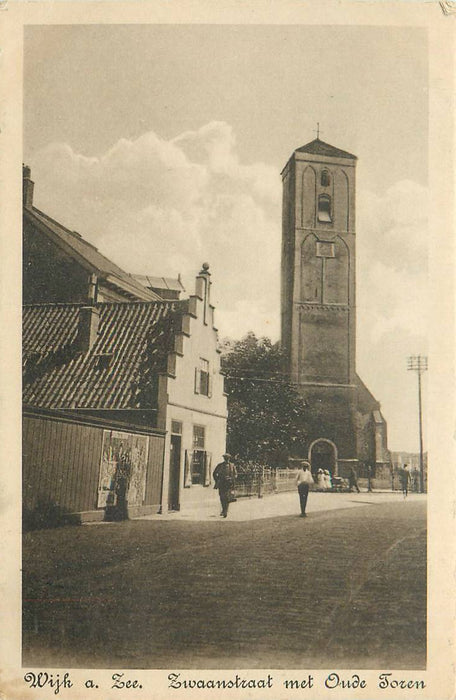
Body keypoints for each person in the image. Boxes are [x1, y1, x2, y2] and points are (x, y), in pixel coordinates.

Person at [213, 453, 237, 518]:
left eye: (228, 458)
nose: (227, 459)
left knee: (227, 497)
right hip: (221, 483)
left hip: (229, 484)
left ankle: (225, 511)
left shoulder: (232, 466)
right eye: (225, 458)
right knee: (222, 497)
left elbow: (235, 474)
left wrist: (231, 478)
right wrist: (217, 480)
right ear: (224, 458)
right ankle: (224, 509)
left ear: (229, 459)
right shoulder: (220, 465)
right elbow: (215, 473)